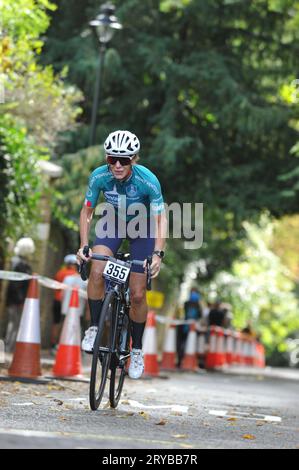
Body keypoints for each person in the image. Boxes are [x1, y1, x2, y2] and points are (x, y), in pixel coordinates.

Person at [77, 130, 167, 380]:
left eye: (124, 160)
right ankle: (94, 328)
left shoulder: (148, 180)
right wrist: (84, 244)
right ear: (107, 158)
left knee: (138, 294)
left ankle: (136, 350)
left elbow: (161, 220)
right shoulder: (99, 177)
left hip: (144, 227)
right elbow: (87, 212)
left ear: (134, 159)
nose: (117, 165)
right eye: (112, 159)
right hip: (113, 223)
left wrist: (158, 253)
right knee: (96, 269)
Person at [5, 237, 35, 352]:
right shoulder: (19, 264)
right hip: (16, 300)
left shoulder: (19, 262)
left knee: (14, 323)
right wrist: (20, 300)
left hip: (17, 299)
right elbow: (15, 285)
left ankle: (10, 346)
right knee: (14, 323)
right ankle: (8, 347)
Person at [51, 254, 78, 352]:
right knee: (65, 323)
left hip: (57, 300)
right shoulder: (74, 274)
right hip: (67, 303)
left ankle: (53, 344)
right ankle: (63, 343)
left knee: (56, 323)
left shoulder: (60, 272)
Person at [177, 288, 202, 368]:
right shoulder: (189, 304)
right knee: (182, 344)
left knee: (189, 344)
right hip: (185, 326)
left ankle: (185, 361)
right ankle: (180, 360)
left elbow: (199, 316)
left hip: (192, 328)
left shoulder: (197, 305)